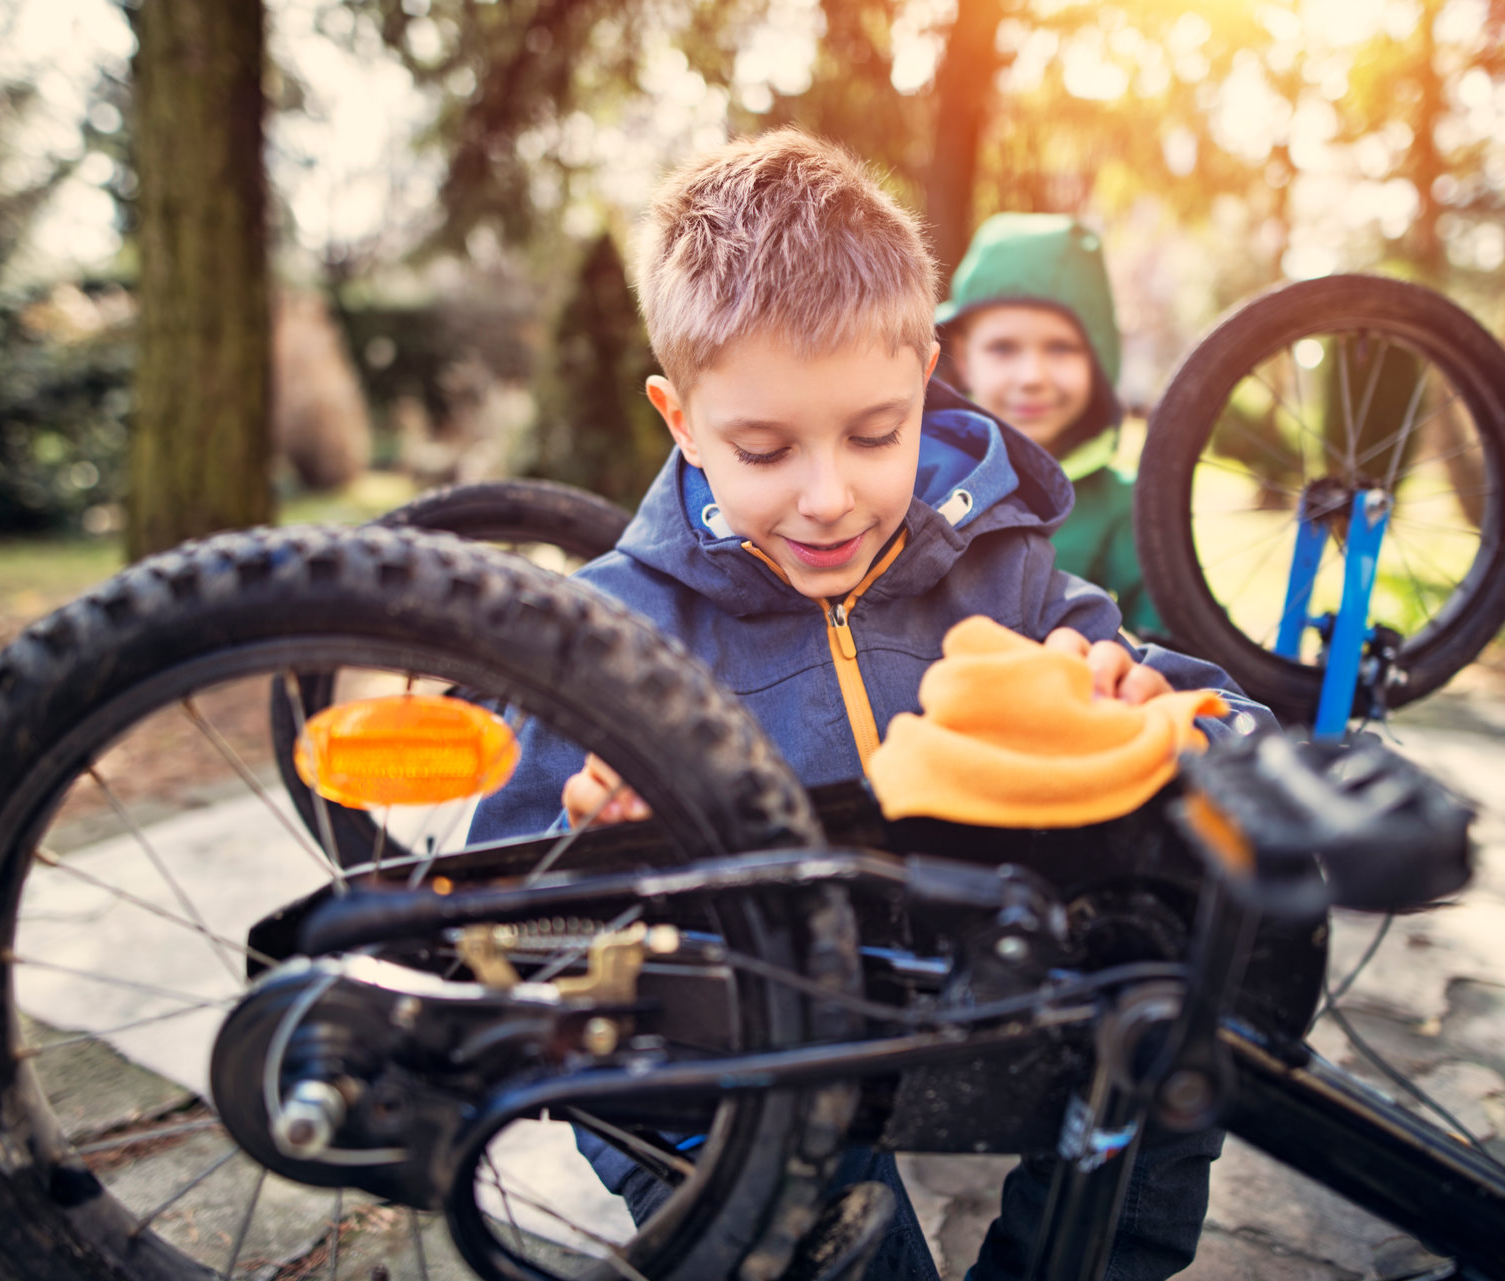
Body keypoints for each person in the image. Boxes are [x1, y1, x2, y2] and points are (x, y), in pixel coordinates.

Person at [474, 128, 1274, 1281]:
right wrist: (593, 855)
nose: (829, 496)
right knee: (841, 1248)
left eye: (874, 432)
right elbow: (496, 941)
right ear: (681, 420)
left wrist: (1154, 704)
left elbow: (1195, 702)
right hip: (738, 1069)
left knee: (1168, 1058)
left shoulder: (1000, 565)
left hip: (959, 1008)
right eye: (763, 447)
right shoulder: (608, 639)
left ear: (924, 372)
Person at [936, 212, 1163, 635]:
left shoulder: (1123, 508)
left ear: (1098, 359)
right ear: (964, 360)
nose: (1032, 377)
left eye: (1061, 348)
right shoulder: (925, 476)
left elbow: (1173, 640)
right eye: (1003, 348)